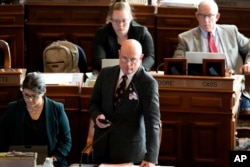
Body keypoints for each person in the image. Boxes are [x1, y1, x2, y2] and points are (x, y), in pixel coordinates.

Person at [88, 39, 161, 167]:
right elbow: (93, 104)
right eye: (124, 59)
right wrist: (97, 116)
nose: (128, 64)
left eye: (133, 59)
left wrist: (151, 157)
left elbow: (153, 123)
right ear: (118, 54)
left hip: (129, 152)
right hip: (102, 148)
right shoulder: (105, 74)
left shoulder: (148, 83)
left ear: (141, 58)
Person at [173, 0, 250, 110]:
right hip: (202, 91)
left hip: (233, 88)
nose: (206, 20)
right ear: (196, 16)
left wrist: (249, 63)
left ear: (217, 16)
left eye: (210, 16)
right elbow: (177, 63)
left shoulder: (231, 31)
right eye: (202, 16)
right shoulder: (185, 38)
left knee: (234, 107)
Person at [0, 72, 72, 167]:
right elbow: (1, 136)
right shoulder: (13, 108)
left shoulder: (57, 109)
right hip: (19, 160)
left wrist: (54, 158)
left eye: (34, 96)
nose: (29, 100)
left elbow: (66, 141)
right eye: (26, 95)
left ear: (43, 92)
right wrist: (9, 153)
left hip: (49, 161)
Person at [91, 0, 155, 73]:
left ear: (130, 18)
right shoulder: (101, 34)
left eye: (124, 21)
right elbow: (98, 61)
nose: (120, 25)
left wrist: (138, 71)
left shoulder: (142, 32)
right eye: (116, 21)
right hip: (110, 75)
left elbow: (150, 57)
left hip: (136, 75)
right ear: (110, 20)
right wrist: (121, 71)